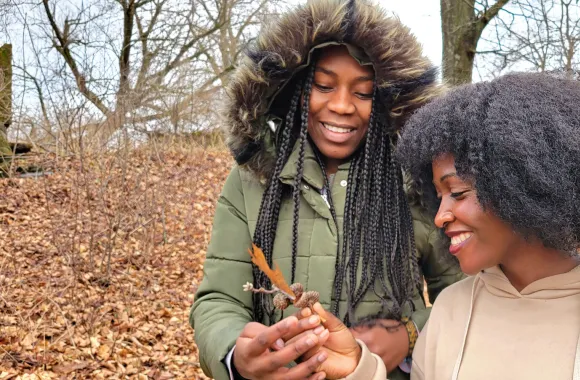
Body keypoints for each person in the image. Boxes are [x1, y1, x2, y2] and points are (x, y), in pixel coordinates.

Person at [189, 0, 464, 378]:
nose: (341, 105)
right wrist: (235, 352)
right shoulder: (250, 183)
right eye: (323, 86)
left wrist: (412, 334)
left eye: (363, 93)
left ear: (385, 102)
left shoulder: (416, 184)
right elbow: (219, 299)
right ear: (298, 93)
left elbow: (470, 294)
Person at [296, 72, 580, 379]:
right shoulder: (450, 309)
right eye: (439, 195)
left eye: (457, 192)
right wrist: (360, 369)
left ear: (524, 185)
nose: (440, 216)